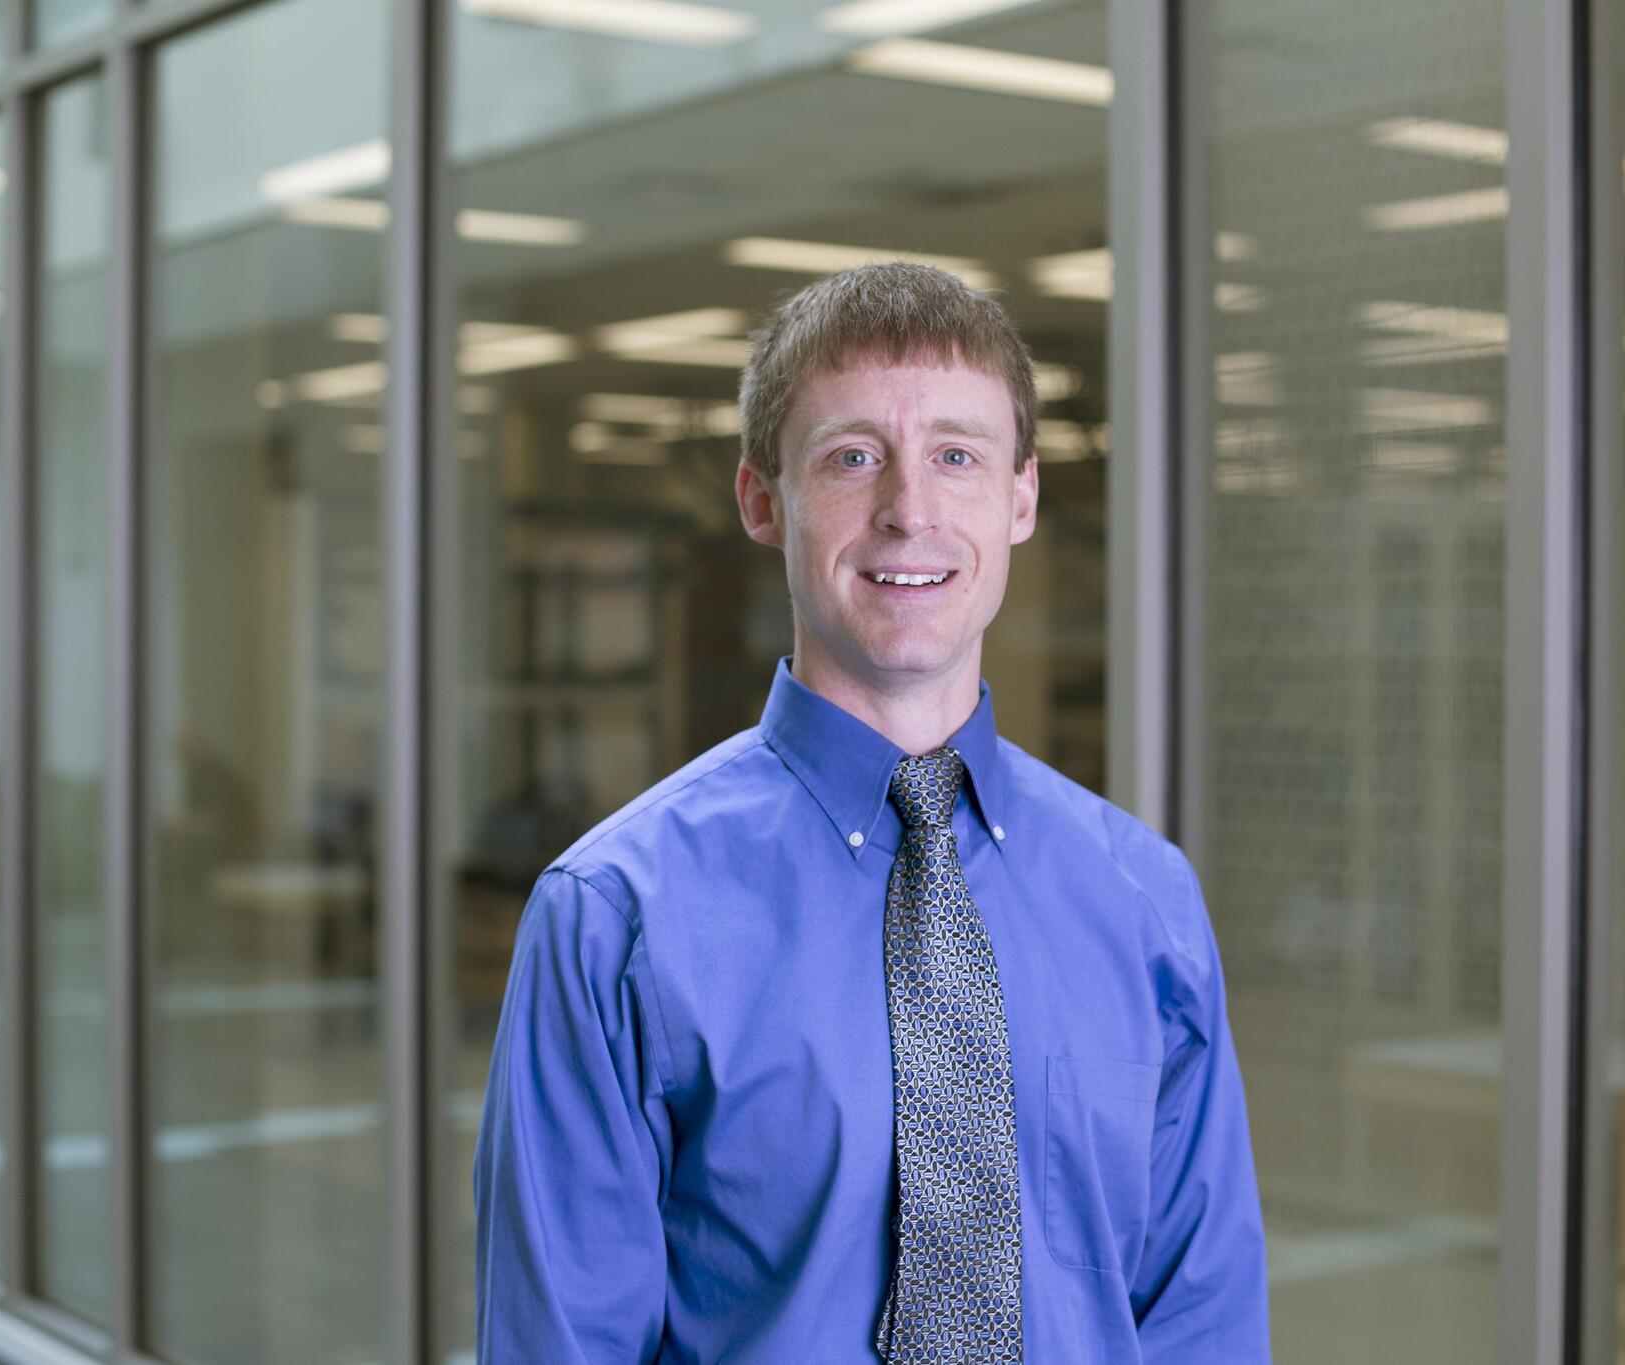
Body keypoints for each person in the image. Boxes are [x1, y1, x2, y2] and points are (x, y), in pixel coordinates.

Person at [474, 263, 1270, 1362]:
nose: (909, 511)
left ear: (1020, 497)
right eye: (852, 457)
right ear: (762, 499)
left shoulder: (1144, 902)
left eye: (957, 456)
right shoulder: (615, 919)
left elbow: (1202, 1324)